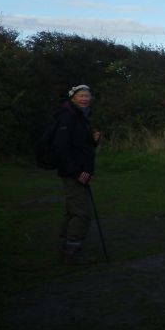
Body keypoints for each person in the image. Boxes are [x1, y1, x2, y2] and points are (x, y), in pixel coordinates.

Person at [54, 84, 102, 265]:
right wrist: (76, 172)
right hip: (74, 173)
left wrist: (93, 141)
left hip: (78, 171)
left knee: (72, 211)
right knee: (82, 213)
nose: (85, 98)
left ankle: (65, 248)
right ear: (72, 98)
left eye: (87, 96)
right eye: (81, 95)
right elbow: (62, 149)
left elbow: (80, 146)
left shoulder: (81, 116)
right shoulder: (68, 117)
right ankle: (72, 254)